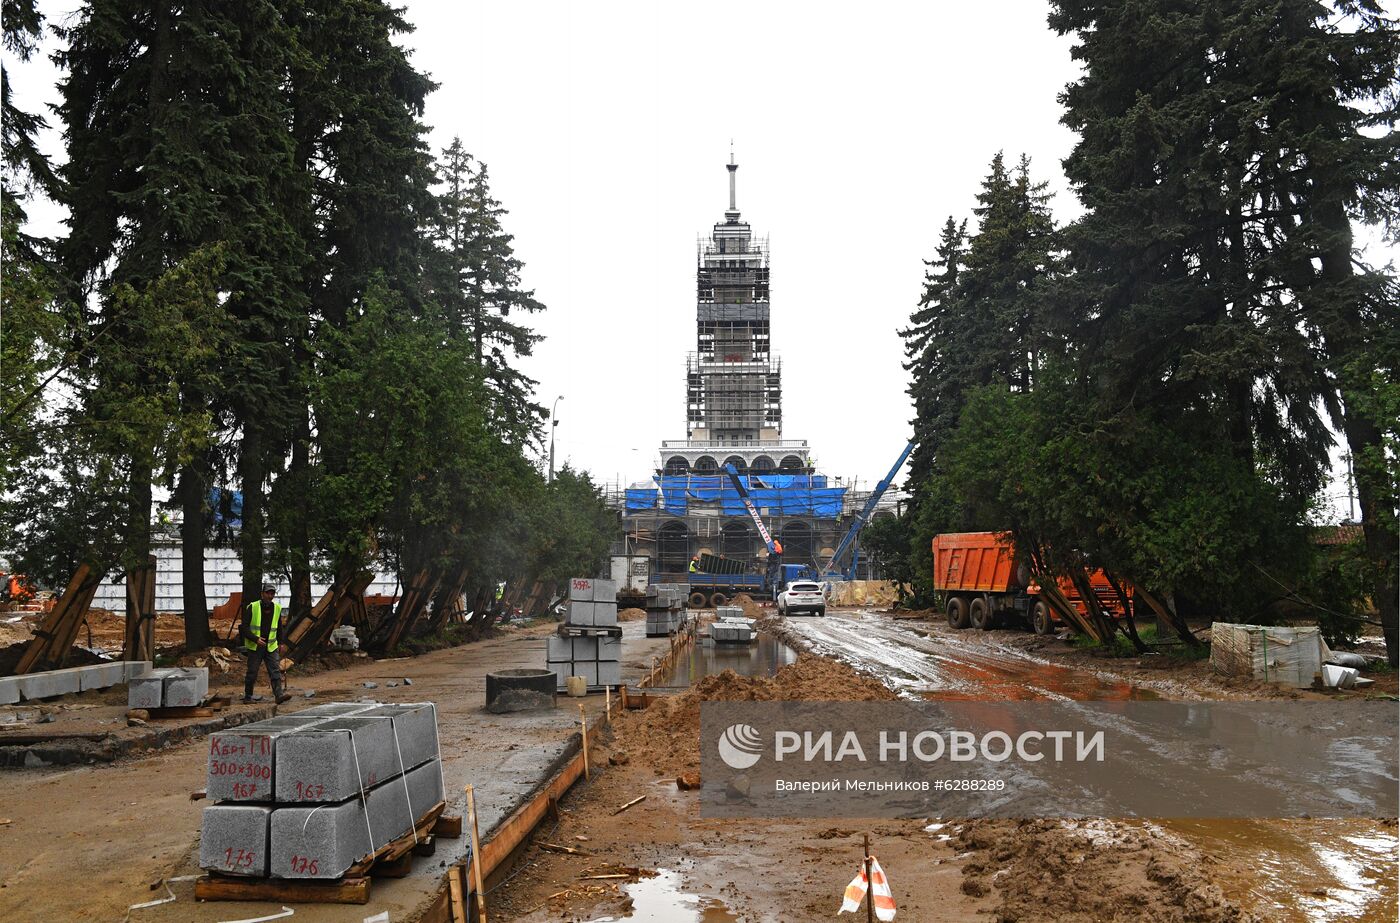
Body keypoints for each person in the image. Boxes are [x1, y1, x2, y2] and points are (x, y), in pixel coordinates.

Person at [241, 583, 290, 704]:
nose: (270, 595)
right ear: (262, 594)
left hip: (271, 646)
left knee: (275, 671)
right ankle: (248, 696)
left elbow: (279, 627)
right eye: (268, 593)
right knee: (252, 672)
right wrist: (255, 639)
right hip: (256, 646)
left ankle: (278, 695)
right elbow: (243, 628)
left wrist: (281, 642)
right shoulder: (252, 607)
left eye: (272, 593)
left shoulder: (277, 608)